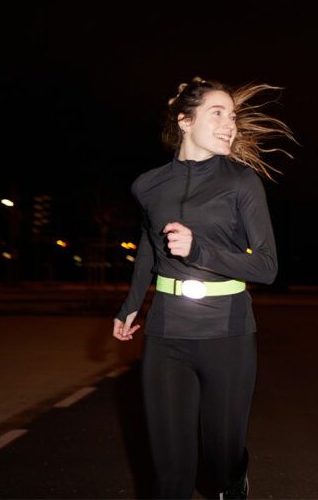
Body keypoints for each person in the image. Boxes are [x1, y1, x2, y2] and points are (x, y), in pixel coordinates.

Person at [113, 77, 294, 499]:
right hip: (166, 333)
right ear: (185, 121)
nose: (230, 124)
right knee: (170, 472)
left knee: (220, 458)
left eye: (232, 116)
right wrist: (131, 304)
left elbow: (267, 266)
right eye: (218, 113)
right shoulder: (148, 185)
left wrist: (200, 251)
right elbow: (148, 247)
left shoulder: (241, 182)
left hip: (227, 334)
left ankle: (234, 478)